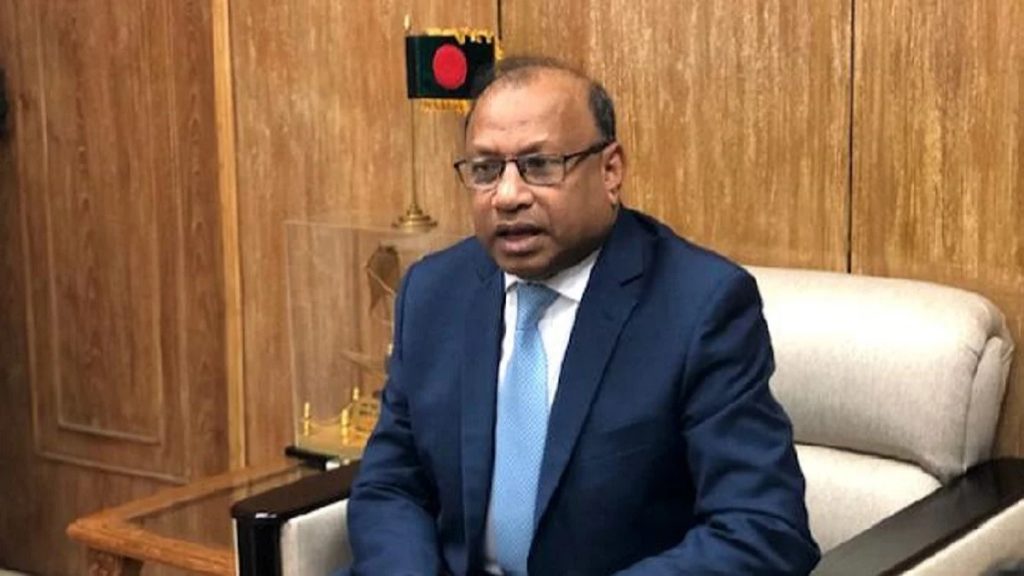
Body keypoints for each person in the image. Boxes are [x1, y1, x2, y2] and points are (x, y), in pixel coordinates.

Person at [347, 55, 819, 575]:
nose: (508, 195)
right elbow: (392, 484)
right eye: (485, 170)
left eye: (540, 165)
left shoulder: (700, 307)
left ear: (610, 170)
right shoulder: (435, 292)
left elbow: (762, 527)